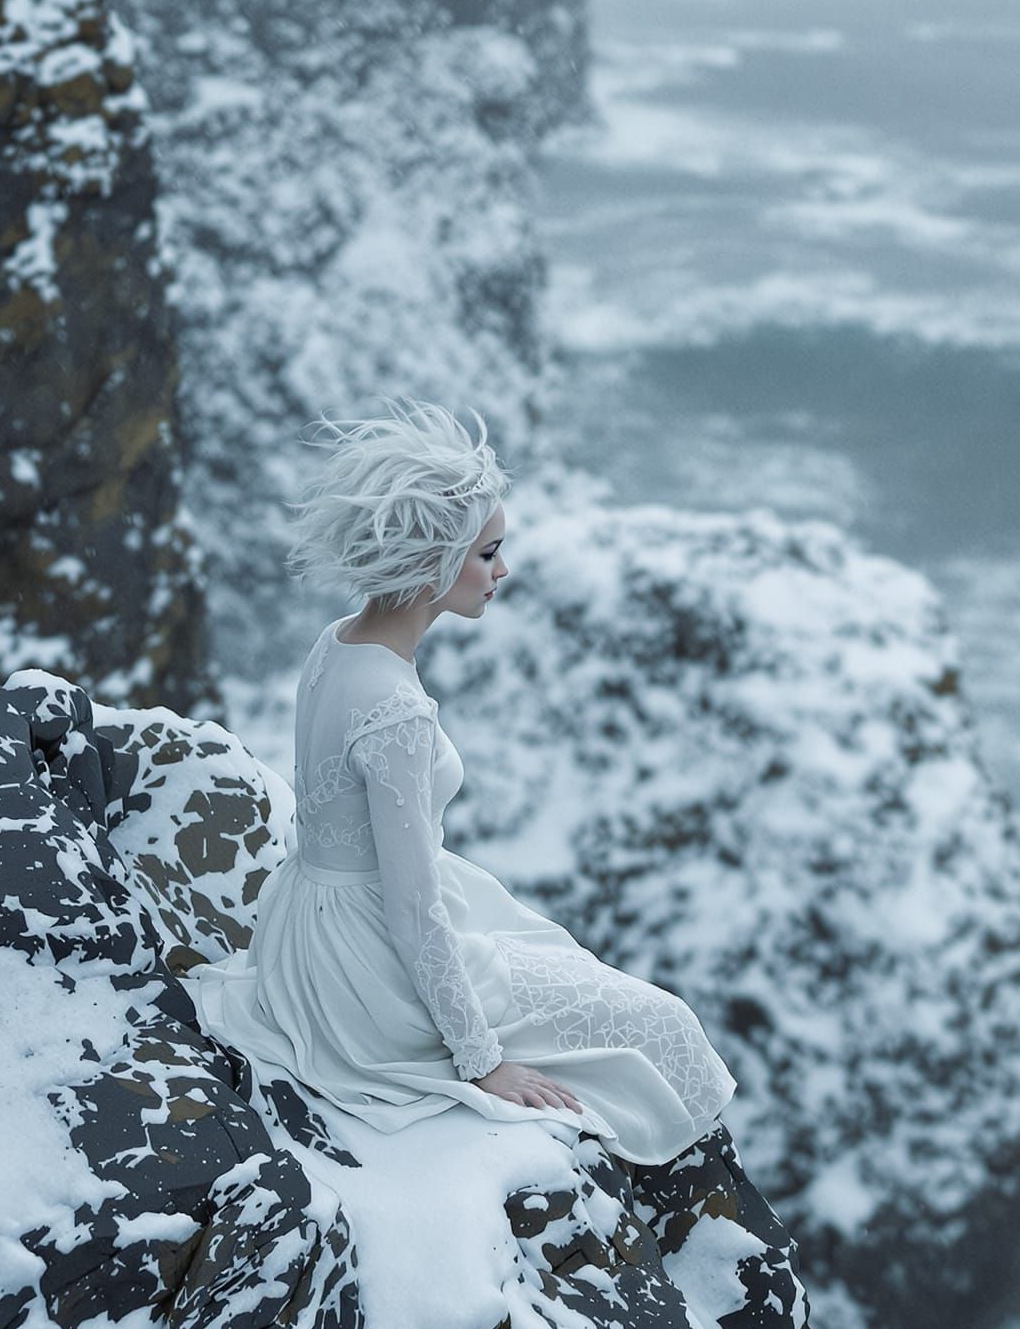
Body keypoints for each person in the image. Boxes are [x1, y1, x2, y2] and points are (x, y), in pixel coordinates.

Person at [186, 396, 736, 1164]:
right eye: (487, 553)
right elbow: (413, 914)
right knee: (662, 1023)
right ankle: (691, 1194)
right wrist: (483, 1062)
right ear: (432, 561)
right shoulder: (395, 711)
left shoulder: (335, 644)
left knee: (560, 960)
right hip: (367, 972)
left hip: (305, 931)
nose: (502, 569)